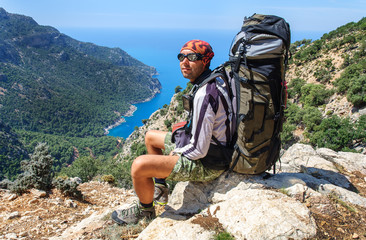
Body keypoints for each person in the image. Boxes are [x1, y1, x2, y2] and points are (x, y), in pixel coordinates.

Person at [111, 39, 235, 225]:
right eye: (181, 57)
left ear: (205, 61)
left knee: (139, 166)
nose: (184, 62)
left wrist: (177, 152)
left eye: (192, 57)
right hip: (214, 148)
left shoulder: (205, 93)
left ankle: (145, 212)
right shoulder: (214, 80)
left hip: (209, 162)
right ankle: (160, 189)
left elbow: (199, 150)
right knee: (150, 136)